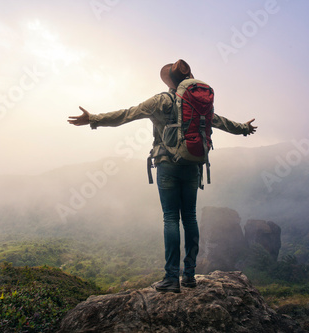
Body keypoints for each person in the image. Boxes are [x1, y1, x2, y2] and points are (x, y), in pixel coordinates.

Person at [68, 59, 257, 293]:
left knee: (170, 218)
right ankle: (189, 276)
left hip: (167, 164)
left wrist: (93, 119)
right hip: (192, 165)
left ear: (169, 81)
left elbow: (128, 114)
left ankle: (171, 278)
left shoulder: (161, 100)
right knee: (190, 217)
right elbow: (221, 122)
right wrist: (245, 128)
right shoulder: (199, 105)